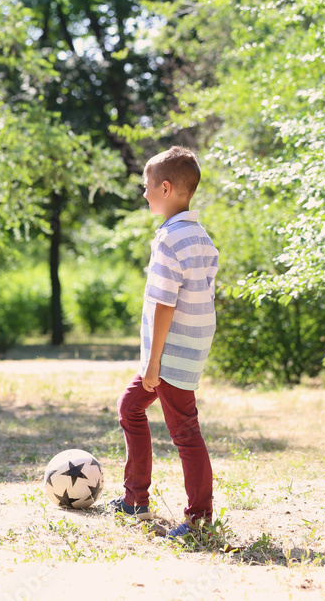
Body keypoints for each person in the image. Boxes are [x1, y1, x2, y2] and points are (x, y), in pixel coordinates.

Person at [109, 146, 219, 539]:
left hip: (169, 353)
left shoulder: (169, 239)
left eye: (147, 186)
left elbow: (164, 304)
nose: (144, 193)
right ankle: (135, 500)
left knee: (185, 433)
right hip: (189, 347)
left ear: (167, 188)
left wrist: (153, 362)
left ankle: (198, 518)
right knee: (131, 407)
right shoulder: (200, 236)